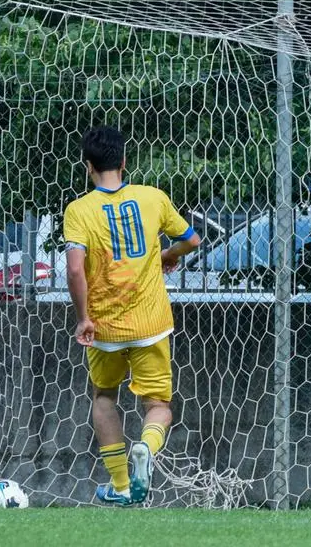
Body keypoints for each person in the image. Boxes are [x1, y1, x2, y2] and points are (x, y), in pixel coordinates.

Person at [63, 125, 201, 505]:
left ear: (87, 165)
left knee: (104, 396)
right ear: (124, 162)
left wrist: (83, 318)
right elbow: (192, 239)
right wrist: (167, 256)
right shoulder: (152, 197)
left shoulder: (79, 210)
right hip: (151, 325)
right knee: (158, 406)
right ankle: (146, 448)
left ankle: (121, 485)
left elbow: (75, 270)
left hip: (103, 327)